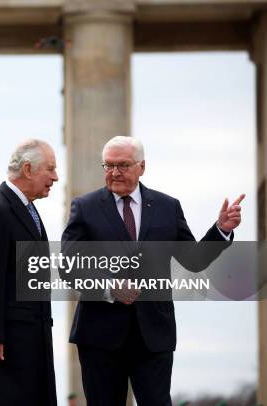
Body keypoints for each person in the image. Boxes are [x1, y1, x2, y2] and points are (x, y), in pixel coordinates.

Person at [62, 135, 244, 405]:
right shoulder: (84, 208)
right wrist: (110, 287)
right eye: (108, 166)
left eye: (122, 165)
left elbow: (193, 260)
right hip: (100, 335)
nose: (114, 173)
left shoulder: (167, 207)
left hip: (153, 333)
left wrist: (220, 231)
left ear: (141, 167)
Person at [0, 139, 59, 406]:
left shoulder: (28, 210)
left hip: (32, 341)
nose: (55, 177)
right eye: (50, 169)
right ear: (28, 169)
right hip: (5, 346)